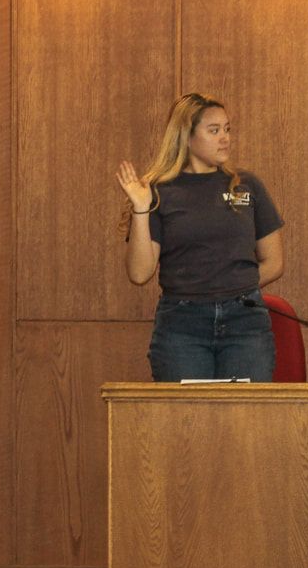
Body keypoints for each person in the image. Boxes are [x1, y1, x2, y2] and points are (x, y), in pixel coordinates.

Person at [116, 92, 285, 382]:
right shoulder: (158, 192)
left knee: (245, 423)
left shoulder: (246, 186)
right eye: (214, 130)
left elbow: (274, 261)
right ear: (187, 137)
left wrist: (232, 289)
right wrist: (141, 210)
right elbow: (139, 273)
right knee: (185, 424)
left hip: (245, 323)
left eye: (227, 129)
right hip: (182, 326)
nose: (225, 138)